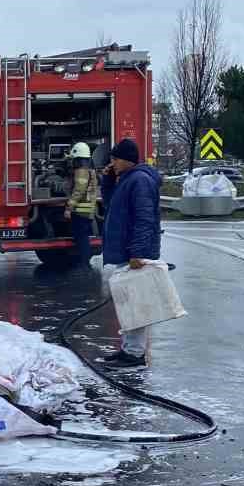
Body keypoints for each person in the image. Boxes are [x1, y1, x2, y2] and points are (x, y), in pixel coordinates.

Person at [98, 138, 162, 367]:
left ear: (127, 160)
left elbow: (144, 220)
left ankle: (134, 353)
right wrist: (107, 180)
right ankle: (128, 348)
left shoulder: (140, 181)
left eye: (115, 159)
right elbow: (109, 204)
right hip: (126, 252)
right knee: (126, 305)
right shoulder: (126, 179)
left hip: (133, 254)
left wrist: (138, 253)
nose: (112, 162)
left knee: (135, 305)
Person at [63, 142, 100, 268]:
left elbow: (79, 191)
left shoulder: (81, 171)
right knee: (82, 237)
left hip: (81, 211)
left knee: (81, 238)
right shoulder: (91, 170)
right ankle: (83, 261)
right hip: (88, 209)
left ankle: (83, 263)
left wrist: (69, 208)